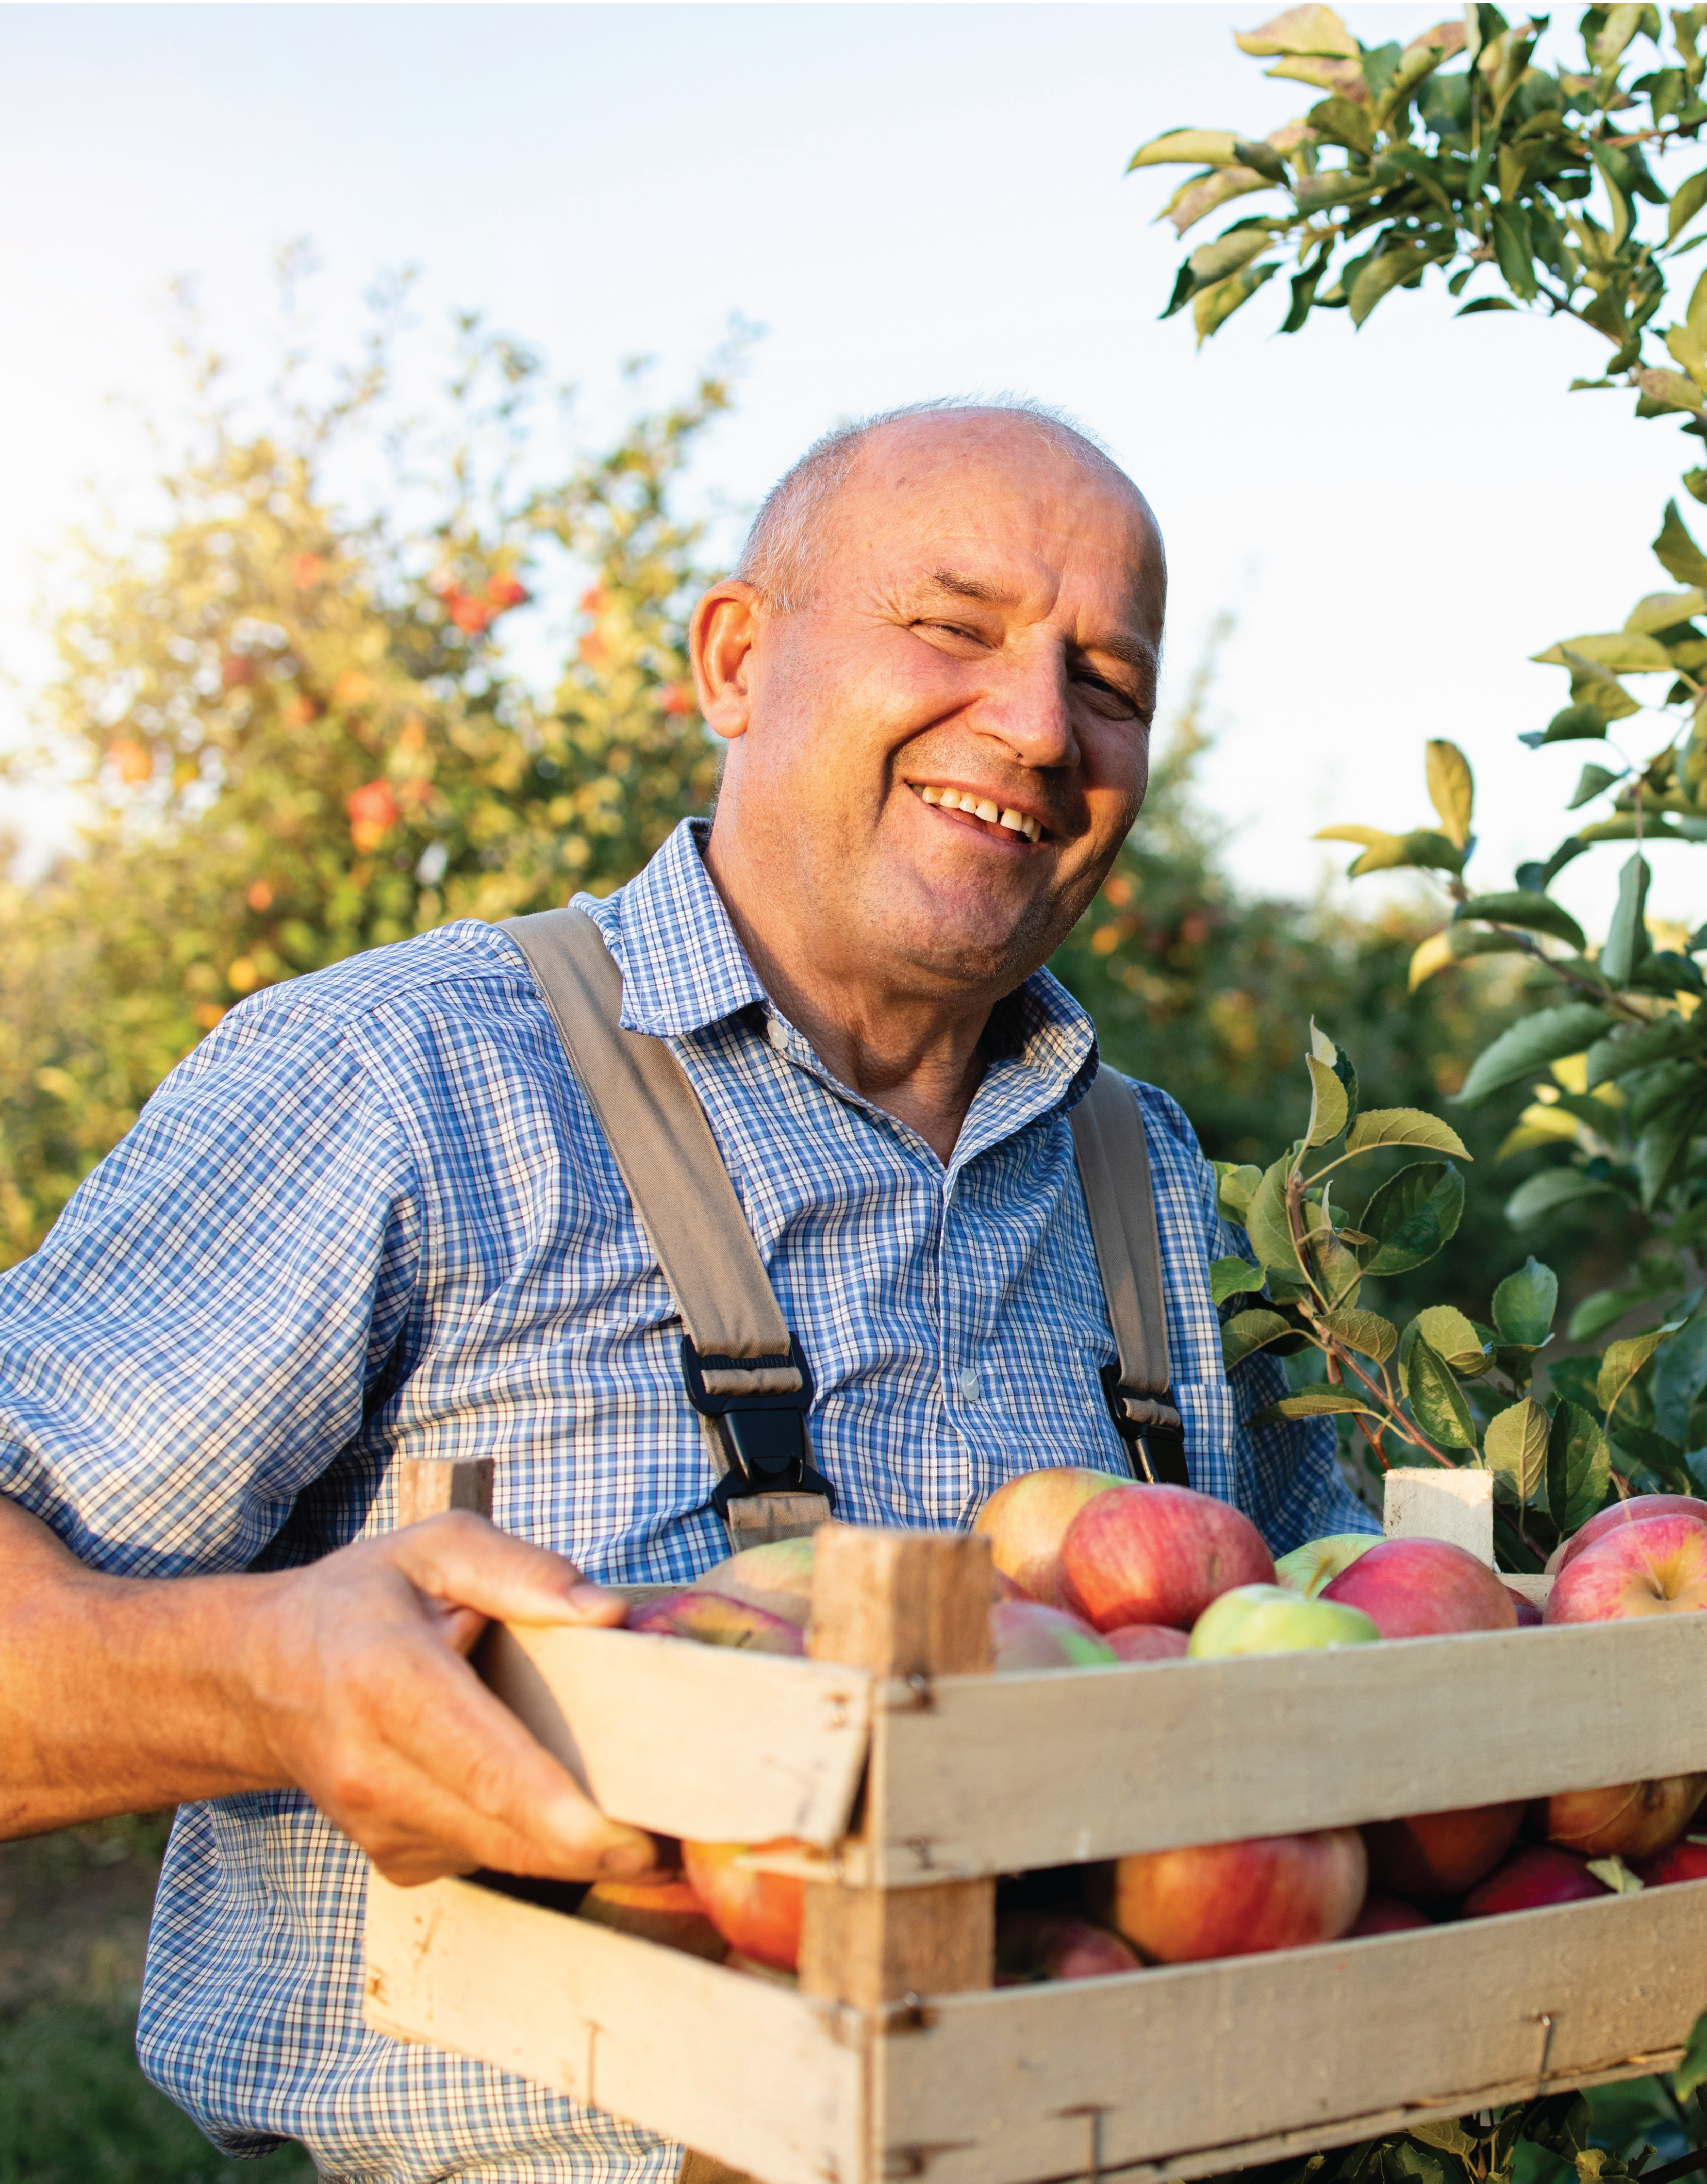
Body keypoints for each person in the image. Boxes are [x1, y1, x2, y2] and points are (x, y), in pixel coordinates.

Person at [0, 398, 1373, 2180]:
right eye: (950, 629)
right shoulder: (404, 1077)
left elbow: (1337, 1701)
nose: (1037, 727)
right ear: (735, 659)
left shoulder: (1156, 1182)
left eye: (1104, 677)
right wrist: (260, 1677)